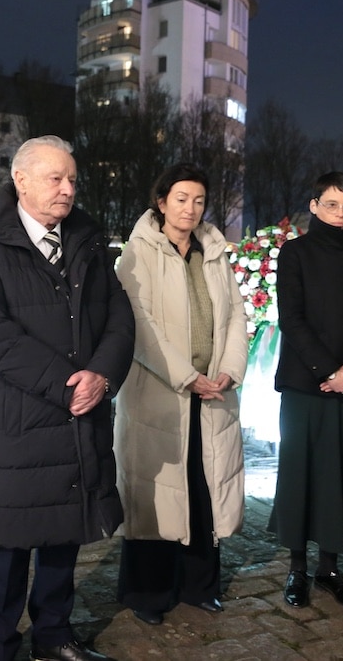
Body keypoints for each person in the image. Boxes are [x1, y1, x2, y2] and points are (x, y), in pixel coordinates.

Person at [0, 135, 135, 661]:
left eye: (72, 179)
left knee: (65, 529)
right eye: (56, 178)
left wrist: (101, 373)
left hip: (83, 410)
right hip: (19, 416)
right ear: (21, 180)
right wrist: (63, 383)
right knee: (10, 537)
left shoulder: (88, 238)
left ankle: (53, 635)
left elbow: (118, 315)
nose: (67, 189)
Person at [113, 163, 249, 626]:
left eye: (198, 200)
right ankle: (149, 593)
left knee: (203, 489)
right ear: (161, 201)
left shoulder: (213, 251)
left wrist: (229, 370)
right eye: (181, 198)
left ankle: (199, 585)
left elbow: (234, 316)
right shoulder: (138, 252)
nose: (190, 208)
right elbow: (140, 325)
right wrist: (186, 375)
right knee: (157, 495)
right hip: (159, 394)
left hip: (213, 395)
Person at [268, 171, 343, 610]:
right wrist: (329, 369)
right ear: (315, 206)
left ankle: (330, 568)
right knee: (302, 474)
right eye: (332, 204)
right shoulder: (295, 253)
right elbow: (292, 319)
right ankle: (297, 568)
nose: (341, 214)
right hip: (308, 383)